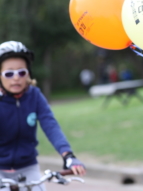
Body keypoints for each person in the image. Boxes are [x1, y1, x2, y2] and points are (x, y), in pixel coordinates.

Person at [0, 41, 86, 190]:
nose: (16, 78)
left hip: (28, 166)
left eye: (21, 72)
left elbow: (50, 124)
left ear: (28, 73)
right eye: (9, 73)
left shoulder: (34, 95)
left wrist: (68, 156)